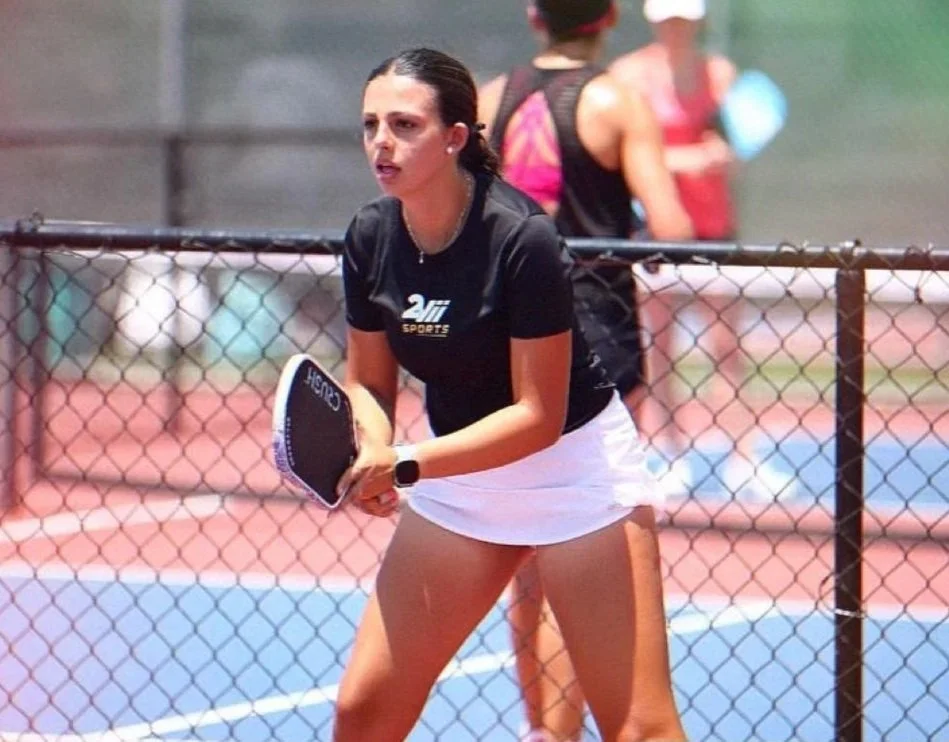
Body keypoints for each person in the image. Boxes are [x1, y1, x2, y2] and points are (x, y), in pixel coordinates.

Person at [332, 47, 688, 742]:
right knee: (362, 713)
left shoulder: (522, 238)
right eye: (371, 123)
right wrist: (374, 443)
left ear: (456, 137)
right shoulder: (370, 236)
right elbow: (368, 381)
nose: (381, 140)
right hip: (457, 484)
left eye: (404, 124)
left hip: (574, 480)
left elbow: (536, 417)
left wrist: (402, 464)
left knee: (639, 729)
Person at [477, 1, 693, 739]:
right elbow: (669, 228)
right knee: (582, 545)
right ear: (607, 19)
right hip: (593, 332)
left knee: (531, 556)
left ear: (534, 18)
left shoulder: (487, 98)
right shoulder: (615, 99)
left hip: (502, 335)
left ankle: (541, 729)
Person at [610, 0, 797, 502]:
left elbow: (732, 145)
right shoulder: (628, 77)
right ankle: (671, 457)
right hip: (657, 234)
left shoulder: (720, 75)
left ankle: (744, 461)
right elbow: (624, 152)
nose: (678, 27)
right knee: (660, 348)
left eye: (686, 19)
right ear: (653, 20)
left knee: (727, 348)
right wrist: (684, 159)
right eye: (669, 18)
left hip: (714, 230)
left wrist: (718, 154)